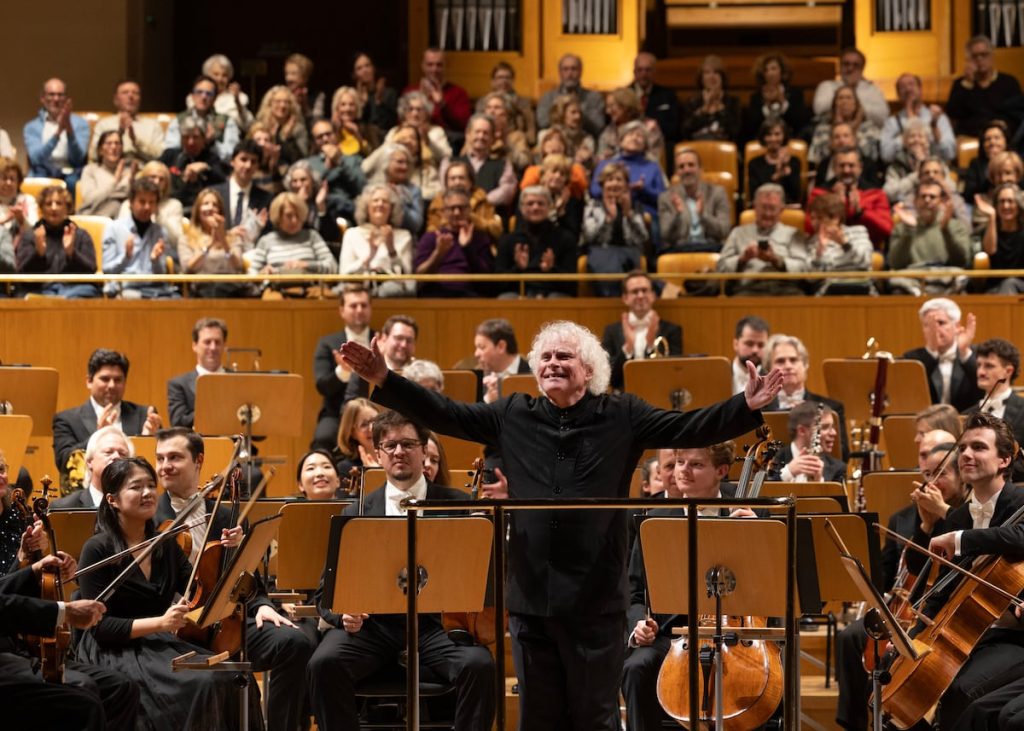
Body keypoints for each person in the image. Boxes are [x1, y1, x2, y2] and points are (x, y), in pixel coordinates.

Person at [338, 320, 783, 731]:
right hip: (531, 597)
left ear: (589, 370)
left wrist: (744, 404)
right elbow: (446, 413)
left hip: (596, 598)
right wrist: (384, 378)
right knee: (538, 717)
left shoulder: (622, 414)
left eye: (564, 356)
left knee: (595, 717)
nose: (552, 363)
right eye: (546, 357)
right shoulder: (513, 413)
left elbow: (688, 427)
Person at [308, 409, 496, 731]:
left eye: (408, 444)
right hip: (373, 629)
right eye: (390, 445)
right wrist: (343, 614)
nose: (399, 452)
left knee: (479, 666)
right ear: (378, 453)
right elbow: (326, 591)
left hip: (437, 627)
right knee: (323, 664)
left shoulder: (458, 505)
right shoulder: (356, 511)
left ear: (424, 451)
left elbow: (482, 577)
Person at [76, 457, 262, 730]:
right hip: (116, 651)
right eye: (136, 487)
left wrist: (234, 549)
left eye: (151, 485)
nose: (148, 493)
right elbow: (99, 628)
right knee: (205, 683)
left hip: (160, 645)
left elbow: (205, 591)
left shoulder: (165, 544)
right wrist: (161, 623)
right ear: (112, 500)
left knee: (236, 679)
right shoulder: (97, 549)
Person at [153, 428, 315, 731]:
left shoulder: (226, 517)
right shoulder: (151, 519)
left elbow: (248, 576)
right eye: (160, 458)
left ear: (198, 461)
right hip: (176, 628)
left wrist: (261, 604)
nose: (165, 466)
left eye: (174, 457)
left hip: (226, 622)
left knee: (294, 643)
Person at [901, 413, 1024, 730]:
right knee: (906, 683)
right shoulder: (959, 517)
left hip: (1013, 637)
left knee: (957, 691)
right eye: (964, 447)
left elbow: (1019, 536)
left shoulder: (1020, 503)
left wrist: (961, 540)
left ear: (1004, 460)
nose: (967, 454)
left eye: (979, 447)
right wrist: (913, 639)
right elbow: (940, 591)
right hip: (965, 635)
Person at [834, 441, 964, 731]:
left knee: (892, 651)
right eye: (927, 475)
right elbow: (892, 572)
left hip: (937, 611)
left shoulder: (964, 514)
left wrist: (941, 515)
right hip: (901, 605)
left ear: (960, 478)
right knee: (851, 637)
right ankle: (855, 723)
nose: (932, 483)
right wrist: (925, 527)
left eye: (941, 474)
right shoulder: (904, 517)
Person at [622, 441, 746, 731]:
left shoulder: (748, 515)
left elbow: (772, 586)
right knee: (636, 668)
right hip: (670, 637)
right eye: (680, 463)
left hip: (733, 637)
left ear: (721, 471)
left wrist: (756, 536)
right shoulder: (654, 521)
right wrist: (640, 624)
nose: (683, 471)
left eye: (696, 464)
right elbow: (635, 592)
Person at [0, 549, 140, 730]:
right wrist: (63, 612)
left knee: (122, 687)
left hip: (16, 650)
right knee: (84, 702)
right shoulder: (98, 547)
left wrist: (33, 570)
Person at [52, 349, 161, 476]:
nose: (112, 385)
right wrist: (97, 435)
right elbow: (64, 463)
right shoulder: (66, 419)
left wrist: (147, 442)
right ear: (89, 381)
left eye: (118, 380)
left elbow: (162, 463)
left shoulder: (145, 416)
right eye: (105, 379)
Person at [762, 333, 849, 460]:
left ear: (805, 365)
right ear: (768, 369)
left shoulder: (832, 407)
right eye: (780, 361)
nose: (788, 366)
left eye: (793, 360)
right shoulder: (758, 411)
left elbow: (843, 455)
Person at [312, 285, 374, 452]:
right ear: (342, 311)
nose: (359, 310)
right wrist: (344, 371)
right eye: (353, 306)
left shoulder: (381, 340)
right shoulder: (327, 343)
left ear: (370, 308)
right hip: (336, 413)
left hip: (376, 413)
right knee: (323, 437)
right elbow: (323, 386)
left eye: (364, 305)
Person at [718, 183, 809, 295]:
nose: (767, 213)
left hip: (785, 289)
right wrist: (742, 259)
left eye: (772, 208)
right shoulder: (738, 233)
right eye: (764, 207)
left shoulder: (793, 234)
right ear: (755, 207)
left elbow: (804, 268)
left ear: (781, 210)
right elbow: (721, 268)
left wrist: (777, 260)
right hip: (748, 289)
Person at [601, 270, 683, 391]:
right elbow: (610, 379)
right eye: (635, 291)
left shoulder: (672, 330)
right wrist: (628, 348)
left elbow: (674, 375)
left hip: (658, 394)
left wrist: (651, 346)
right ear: (625, 298)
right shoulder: (611, 331)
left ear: (653, 295)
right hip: (623, 398)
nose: (640, 295)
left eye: (644, 290)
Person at [102, 178, 180, 299]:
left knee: (177, 301)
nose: (147, 207)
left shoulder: (160, 231)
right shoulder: (114, 228)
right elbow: (107, 269)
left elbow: (161, 275)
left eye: (151, 202)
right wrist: (126, 257)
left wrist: (155, 260)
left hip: (155, 289)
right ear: (131, 203)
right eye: (142, 202)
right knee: (131, 298)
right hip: (126, 288)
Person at [590, 121, 666, 244]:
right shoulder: (606, 164)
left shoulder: (653, 167)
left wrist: (644, 189)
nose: (635, 138)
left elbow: (663, 198)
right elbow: (595, 190)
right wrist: (620, 191)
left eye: (640, 136)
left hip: (643, 212)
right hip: (607, 209)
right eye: (630, 134)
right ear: (621, 140)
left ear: (645, 145)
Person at [14, 185, 98, 298]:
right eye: (48, 204)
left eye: (59, 203)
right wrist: (38, 254)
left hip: (74, 290)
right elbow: (21, 274)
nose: (54, 208)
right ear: (41, 208)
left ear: (67, 208)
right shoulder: (30, 235)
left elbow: (91, 270)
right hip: (40, 290)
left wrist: (72, 253)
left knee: (89, 292)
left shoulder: (81, 235)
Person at [902, 297, 982, 412]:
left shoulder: (976, 355)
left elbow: (984, 390)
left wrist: (963, 352)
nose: (935, 329)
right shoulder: (912, 358)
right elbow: (909, 394)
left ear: (957, 326)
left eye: (941, 323)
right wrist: (932, 352)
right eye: (927, 325)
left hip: (967, 420)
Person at [888, 180, 971, 291]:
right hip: (912, 281)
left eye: (932, 197)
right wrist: (909, 231)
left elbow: (962, 261)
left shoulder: (956, 226)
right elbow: (895, 264)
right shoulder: (902, 228)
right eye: (923, 196)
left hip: (944, 279)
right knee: (895, 279)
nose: (927, 200)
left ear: (941, 201)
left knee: (961, 277)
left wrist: (945, 230)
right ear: (915, 201)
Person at [496, 186, 576, 298]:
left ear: (550, 207)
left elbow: (572, 286)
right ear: (521, 208)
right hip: (518, 295)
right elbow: (497, 285)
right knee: (506, 298)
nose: (535, 207)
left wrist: (552, 270)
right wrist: (518, 268)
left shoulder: (565, 238)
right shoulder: (507, 240)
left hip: (552, 295)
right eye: (530, 203)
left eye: (541, 203)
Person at [414, 187, 494, 297]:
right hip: (436, 296)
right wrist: (438, 254)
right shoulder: (431, 237)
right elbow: (419, 278)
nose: (457, 212)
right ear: (444, 211)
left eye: (461, 208)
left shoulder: (480, 238)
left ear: (469, 210)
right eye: (452, 208)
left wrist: (467, 248)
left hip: (471, 297)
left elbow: (488, 283)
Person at [807, 146, 892, 249]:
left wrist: (861, 213)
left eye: (851, 165)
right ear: (834, 168)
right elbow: (808, 227)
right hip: (826, 247)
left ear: (860, 168)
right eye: (841, 166)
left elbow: (887, 229)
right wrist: (833, 206)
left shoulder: (876, 193)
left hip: (865, 248)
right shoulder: (818, 193)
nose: (846, 170)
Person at [340, 183, 415, 297]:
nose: (380, 204)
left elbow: (406, 279)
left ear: (392, 208)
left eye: (385, 201)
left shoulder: (404, 236)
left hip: (392, 294)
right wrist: (370, 256)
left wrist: (391, 249)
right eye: (375, 200)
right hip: (359, 291)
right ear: (367, 206)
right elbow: (344, 274)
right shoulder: (351, 234)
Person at [178, 188, 250, 297]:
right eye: (206, 204)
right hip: (202, 289)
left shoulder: (233, 237)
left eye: (215, 205)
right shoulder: (186, 238)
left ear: (220, 211)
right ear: (198, 210)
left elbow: (238, 266)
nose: (210, 208)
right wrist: (209, 245)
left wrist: (223, 241)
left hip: (232, 288)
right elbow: (187, 268)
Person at [945, 34, 1022, 138]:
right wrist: (968, 84)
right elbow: (952, 113)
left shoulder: (1009, 82)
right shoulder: (961, 84)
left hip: (1002, 136)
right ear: (968, 59)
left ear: (992, 55)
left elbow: (1017, 114)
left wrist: (1003, 125)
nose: (979, 59)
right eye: (974, 56)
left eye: (984, 54)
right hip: (970, 136)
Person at [245, 191, 337, 277]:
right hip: (276, 287)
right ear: (278, 216)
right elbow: (252, 274)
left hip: (311, 286)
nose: (294, 220)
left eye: (298, 215)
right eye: (289, 216)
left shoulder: (312, 236)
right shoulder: (266, 241)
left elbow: (333, 267)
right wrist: (263, 273)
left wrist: (306, 265)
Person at [658, 146, 731, 253]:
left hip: (711, 247)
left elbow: (724, 231)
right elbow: (665, 235)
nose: (686, 170)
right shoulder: (666, 198)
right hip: (680, 249)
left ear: (700, 169)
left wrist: (703, 216)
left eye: (691, 165)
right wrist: (677, 216)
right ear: (677, 172)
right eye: (681, 167)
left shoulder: (716, 193)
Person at [22, 78, 90, 191]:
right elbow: (36, 159)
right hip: (42, 173)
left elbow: (78, 160)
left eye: (60, 95)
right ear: (43, 98)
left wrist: (69, 130)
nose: (56, 99)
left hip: (71, 173)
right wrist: (57, 134)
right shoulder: (31, 127)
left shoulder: (80, 124)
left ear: (66, 98)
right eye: (51, 95)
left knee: (73, 183)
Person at [444, 114, 517, 211]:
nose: (481, 136)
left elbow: (507, 192)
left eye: (485, 133)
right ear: (468, 134)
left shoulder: (503, 165)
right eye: (477, 132)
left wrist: (478, 202)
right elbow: (444, 190)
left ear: (492, 138)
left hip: (490, 216)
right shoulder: (449, 162)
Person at [806, 192, 874, 295]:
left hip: (861, 288)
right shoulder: (813, 242)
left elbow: (865, 262)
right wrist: (819, 251)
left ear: (835, 218)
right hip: (829, 293)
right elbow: (811, 279)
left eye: (819, 218)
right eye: (812, 218)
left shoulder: (858, 232)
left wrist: (844, 244)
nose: (814, 223)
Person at [166, 318, 228, 429]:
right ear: (195, 345)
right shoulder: (178, 384)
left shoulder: (239, 379)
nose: (213, 347)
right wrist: (216, 408)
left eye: (217, 342)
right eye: (207, 342)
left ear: (224, 346)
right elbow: (178, 422)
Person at [51, 427, 134, 509]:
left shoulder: (137, 505)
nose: (116, 456)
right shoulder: (62, 508)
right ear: (89, 461)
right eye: (108, 452)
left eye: (122, 454)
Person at [881, 73, 956, 164]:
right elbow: (886, 156)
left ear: (920, 89)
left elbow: (950, 154)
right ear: (898, 95)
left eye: (911, 84)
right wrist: (904, 138)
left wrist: (935, 132)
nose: (908, 89)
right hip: (903, 169)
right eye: (902, 87)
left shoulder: (938, 118)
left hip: (934, 169)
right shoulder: (892, 122)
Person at [164, 75, 241, 162]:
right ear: (192, 95)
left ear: (215, 98)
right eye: (199, 92)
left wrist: (213, 143)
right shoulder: (179, 120)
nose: (203, 97)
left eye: (209, 94)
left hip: (214, 166)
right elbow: (170, 151)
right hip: (185, 164)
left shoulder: (227, 121)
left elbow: (231, 155)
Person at [210, 140, 274, 244]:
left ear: (257, 166)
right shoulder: (214, 193)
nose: (248, 165)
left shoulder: (266, 198)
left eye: (253, 161)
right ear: (232, 161)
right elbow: (203, 229)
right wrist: (228, 235)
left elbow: (267, 235)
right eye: (243, 159)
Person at [405, 47, 472, 146]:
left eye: (439, 65)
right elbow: (402, 120)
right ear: (423, 66)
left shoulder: (459, 93)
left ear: (446, 66)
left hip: (447, 141)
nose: (434, 69)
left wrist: (442, 104)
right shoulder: (410, 91)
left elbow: (464, 125)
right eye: (430, 64)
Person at [963, 338, 1024, 447]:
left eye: (989, 366)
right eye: (979, 365)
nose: (980, 372)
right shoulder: (966, 415)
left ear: (1008, 371)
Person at [88, 80, 165, 163]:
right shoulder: (104, 124)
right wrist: (120, 132)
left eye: (135, 93)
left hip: (143, 169)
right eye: (125, 92)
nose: (131, 96)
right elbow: (94, 155)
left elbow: (161, 156)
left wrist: (136, 141)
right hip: (110, 169)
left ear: (140, 99)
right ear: (116, 99)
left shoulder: (153, 125)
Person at [160, 117, 229, 210]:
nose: (190, 142)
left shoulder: (212, 159)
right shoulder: (170, 155)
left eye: (195, 137)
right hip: (172, 206)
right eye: (186, 137)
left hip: (202, 209)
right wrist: (183, 179)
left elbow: (223, 182)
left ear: (203, 139)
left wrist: (206, 168)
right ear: (180, 138)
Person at [812, 47, 889, 128]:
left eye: (856, 65)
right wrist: (847, 90)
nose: (850, 68)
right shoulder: (827, 86)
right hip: (831, 129)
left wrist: (854, 105)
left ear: (862, 69)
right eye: (846, 64)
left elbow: (883, 116)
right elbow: (819, 109)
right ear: (840, 67)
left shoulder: (872, 90)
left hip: (864, 131)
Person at [425, 160, 503, 240]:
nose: (457, 182)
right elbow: (431, 231)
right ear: (446, 183)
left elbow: (496, 231)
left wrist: (473, 220)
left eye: (461, 178)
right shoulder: (438, 202)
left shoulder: (482, 200)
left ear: (470, 182)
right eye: (453, 178)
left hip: (479, 243)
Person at [742, 53, 809, 144]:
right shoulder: (756, 97)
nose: (770, 73)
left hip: (790, 140)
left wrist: (783, 102)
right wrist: (767, 105)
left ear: (782, 72)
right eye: (766, 70)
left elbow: (800, 122)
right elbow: (751, 128)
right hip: (764, 142)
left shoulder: (795, 94)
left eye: (773, 69)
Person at [771, 401, 846, 483]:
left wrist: (819, 482)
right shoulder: (772, 459)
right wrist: (788, 473)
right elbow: (763, 487)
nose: (834, 433)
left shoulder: (837, 468)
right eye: (824, 427)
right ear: (802, 430)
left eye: (832, 427)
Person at [808, 86, 882, 169]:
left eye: (848, 98)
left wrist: (852, 131)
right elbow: (817, 157)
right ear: (834, 104)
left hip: (862, 171)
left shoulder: (869, 128)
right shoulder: (822, 129)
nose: (844, 102)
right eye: (840, 98)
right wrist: (836, 128)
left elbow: (871, 155)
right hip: (830, 169)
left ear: (856, 103)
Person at [536, 53, 607, 137]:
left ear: (580, 71)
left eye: (574, 69)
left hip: (584, 139)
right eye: (565, 69)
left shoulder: (594, 97)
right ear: (560, 72)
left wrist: (577, 114)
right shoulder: (548, 97)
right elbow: (542, 122)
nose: (569, 74)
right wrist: (565, 115)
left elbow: (598, 125)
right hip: (556, 139)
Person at [123, 161, 186, 254]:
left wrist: (158, 215)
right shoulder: (129, 203)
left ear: (166, 183)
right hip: (133, 251)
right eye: (152, 177)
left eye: (161, 179)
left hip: (164, 252)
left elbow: (177, 240)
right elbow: (121, 234)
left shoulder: (174, 205)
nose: (157, 182)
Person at [679, 55, 741, 143]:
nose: (711, 76)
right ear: (701, 78)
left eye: (716, 72)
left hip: (725, 147)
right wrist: (704, 109)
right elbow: (685, 132)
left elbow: (736, 133)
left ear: (722, 77)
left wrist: (721, 110)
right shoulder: (692, 102)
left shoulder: (733, 102)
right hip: (697, 147)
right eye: (707, 73)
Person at [596, 87, 664, 164]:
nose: (608, 111)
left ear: (625, 105)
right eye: (607, 107)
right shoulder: (609, 132)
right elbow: (601, 161)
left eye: (612, 106)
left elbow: (653, 159)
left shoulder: (649, 127)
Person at [977, 183, 1024, 293]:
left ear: (1018, 205)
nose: (1006, 206)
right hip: (994, 288)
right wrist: (992, 216)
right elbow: (990, 251)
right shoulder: (988, 230)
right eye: (1001, 201)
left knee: (1009, 283)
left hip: (1020, 286)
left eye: (1010, 201)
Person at [631, 52, 679, 158]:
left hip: (660, 144)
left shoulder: (668, 95)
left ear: (654, 72)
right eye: (640, 70)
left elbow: (675, 128)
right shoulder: (625, 94)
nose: (643, 74)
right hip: (631, 143)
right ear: (634, 72)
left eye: (648, 70)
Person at [474, 318, 532, 404]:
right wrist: (487, 401)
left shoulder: (533, 374)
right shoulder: (475, 379)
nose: (476, 354)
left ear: (501, 346)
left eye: (482, 347)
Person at [478, 61, 537, 146]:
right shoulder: (483, 102)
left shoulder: (523, 103)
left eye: (507, 77)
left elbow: (531, 130)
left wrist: (523, 139)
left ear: (513, 80)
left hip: (515, 139)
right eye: (500, 77)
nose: (504, 81)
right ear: (493, 81)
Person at [78, 131, 135, 217]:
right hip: (93, 214)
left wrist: (132, 180)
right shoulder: (90, 170)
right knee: (114, 204)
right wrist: (115, 181)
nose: (114, 147)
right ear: (100, 150)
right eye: (109, 143)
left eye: (117, 143)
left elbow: (129, 197)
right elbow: (89, 199)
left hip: (120, 216)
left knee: (117, 205)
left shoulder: (128, 172)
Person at [747, 118, 802, 206]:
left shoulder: (794, 162)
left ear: (784, 136)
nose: (773, 139)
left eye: (777, 134)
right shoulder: (754, 164)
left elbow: (796, 197)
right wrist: (776, 176)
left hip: (788, 208)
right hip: (763, 207)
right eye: (769, 134)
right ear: (763, 137)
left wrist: (786, 172)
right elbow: (755, 194)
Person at [195, 54, 253, 131]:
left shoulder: (239, 98)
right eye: (216, 74)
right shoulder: (197, 97)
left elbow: (248, 125)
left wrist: (237, 101)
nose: (220, 79)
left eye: (224, 75)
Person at [255, 85, 309, 168]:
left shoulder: (298, 128)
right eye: (278, 101)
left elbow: (301, 160)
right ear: (269, 104)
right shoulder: (260, 126)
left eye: (286, 102)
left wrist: (287, 138)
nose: (282, 106)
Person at [546, 94, 597, 171]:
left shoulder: (587, 139)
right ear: (562, 114)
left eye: (579, 113)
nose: (578, 116)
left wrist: (589, 160)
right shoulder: (548, 136)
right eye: (573, 112)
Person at [352, 52, 399, 135]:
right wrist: (362, 104)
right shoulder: (353, 96)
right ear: (355, 74)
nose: (364, 70)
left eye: (367, 65)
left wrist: (379, 101)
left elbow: (389, 123)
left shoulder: (389, 93)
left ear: (373, 68)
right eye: (359, 68)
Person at [964, 120, 1011, 201]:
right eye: (987, 139)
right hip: (984, 202)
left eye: (997, 138)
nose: (992, 142)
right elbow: (968, 193)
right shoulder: (976, 164)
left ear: (1005, 141)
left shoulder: (1014, 161)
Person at [329, 86, 381, 158]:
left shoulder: (369, 130)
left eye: (351, 105)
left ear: (357, 108)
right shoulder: (329, 129)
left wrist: (357, 134)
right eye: (343, 104)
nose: (348, 108)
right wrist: (336, 130)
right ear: (337, 107)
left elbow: (373, 156)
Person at [336, 398, 384, 473]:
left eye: (376, 420)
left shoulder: (397, 456)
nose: (372, 428)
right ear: (352, 433)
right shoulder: (345, 469)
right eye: (364, 424)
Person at [0, 157, 38, 241]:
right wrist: (4, 221)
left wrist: (22, 219)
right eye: (4, 178)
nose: (8, 183)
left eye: (12, 179)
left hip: (22, 247)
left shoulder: (27, 200)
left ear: (18, 182)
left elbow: (36, 232)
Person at [731, 315, 770, 394]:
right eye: (749, 344)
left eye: (761, 345)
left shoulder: (771, 380)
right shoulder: (719, 375)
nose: (755, 350)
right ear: (736, 344)